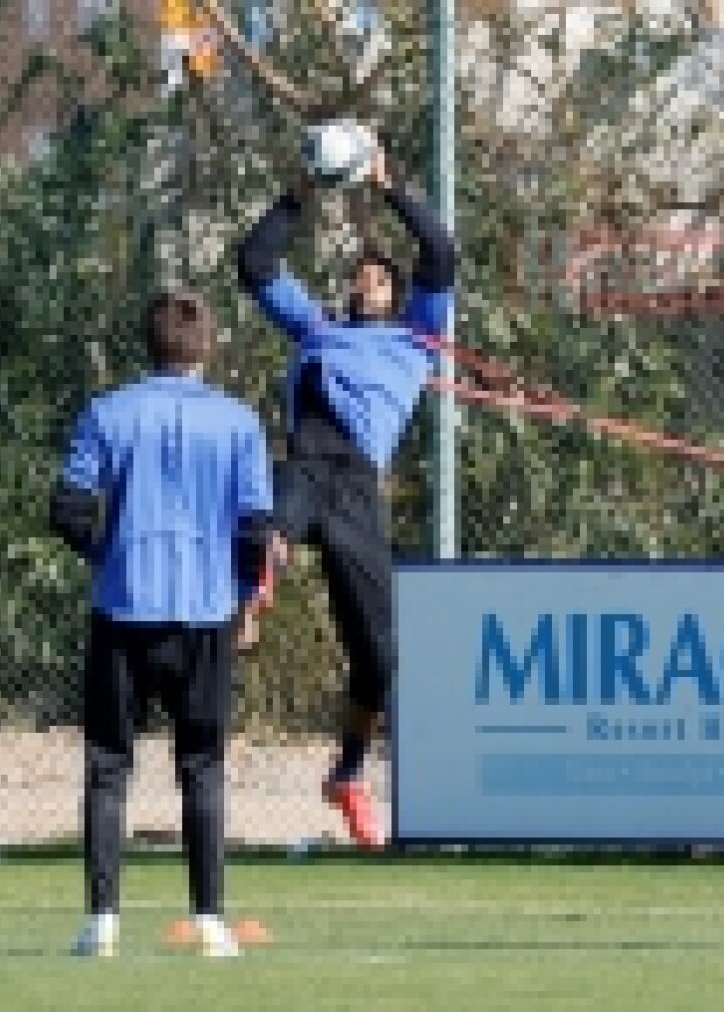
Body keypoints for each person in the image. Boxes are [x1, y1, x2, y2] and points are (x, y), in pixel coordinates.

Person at [234, 143, 456, 848]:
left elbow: (441, 252)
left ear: (397, 297)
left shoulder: (417, 341)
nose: (366, 287)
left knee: (380, 656)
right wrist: (297, 194)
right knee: (270, 517)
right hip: (307, 464)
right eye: (358, 279)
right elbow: (254, 266)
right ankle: (251, 590)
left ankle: (349, 772)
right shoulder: (315, 329)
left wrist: (392, 189)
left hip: (359, 490)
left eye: (378, 281)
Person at [50, 291, 274, 957]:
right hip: (203, 614)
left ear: (148, 343)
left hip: (123, 607)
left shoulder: (108, 412)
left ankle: (102, 922)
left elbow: (67, 509)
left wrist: (104, 554)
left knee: (108, 766)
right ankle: (209, 920)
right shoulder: (237, 423)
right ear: (206, 346)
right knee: (202, 765)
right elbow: (256, 528)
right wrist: (243, 599)